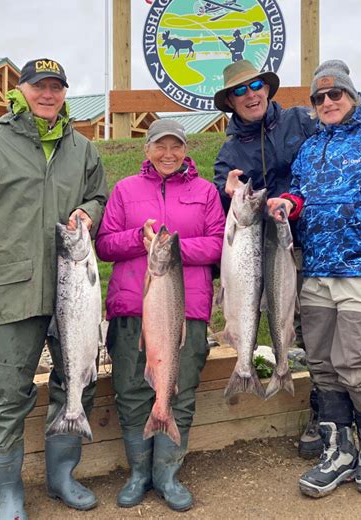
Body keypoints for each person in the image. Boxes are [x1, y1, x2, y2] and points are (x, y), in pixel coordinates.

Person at [212, 58, 361, 459]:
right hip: (260, 246)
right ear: (230, 100)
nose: (251, 94)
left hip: (313, 246)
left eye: (257, 85)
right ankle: (332, 421)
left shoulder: (302, 120)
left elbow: (347, 128)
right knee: (309, 340)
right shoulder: (229, 150)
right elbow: (220, 201)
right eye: (241, 90)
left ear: (268, 87)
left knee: (309, 328)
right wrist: (228, 193)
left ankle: (327, 415)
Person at [0, 58, 108, 519]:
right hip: (11, 291)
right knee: (7, 394)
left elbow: (99, 196)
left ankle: (62, 476)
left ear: (65, 93)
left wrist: (88, 212)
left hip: (73, 291)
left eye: (57, 87)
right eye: (39, 85)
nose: (48, 94)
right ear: (21, 90)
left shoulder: (83, 148)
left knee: (76, 381)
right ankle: (9, 492)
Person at [267, 60, 361, 498]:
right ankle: (338, 450)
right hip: (317, 273)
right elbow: (299, 191)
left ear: (351, 96)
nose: (328, 102)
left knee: (357, 364)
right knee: (323, 366)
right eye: (319, 97)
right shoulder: (311, 147)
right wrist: (288, 204)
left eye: (336, 94)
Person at [95, 119, 225, 513]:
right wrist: (139, 239)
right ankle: (139, 473)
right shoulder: (124, 190)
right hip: (132, 308)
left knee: (178, 388)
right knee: (132, 390)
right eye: (160, 146)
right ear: (146, 148)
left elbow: (219, 245)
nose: (168, 154)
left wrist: (173, 247)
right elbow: (104, 245)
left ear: (186, 150)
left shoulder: (205, 193)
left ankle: (167, 474)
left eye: (176, 147)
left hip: (187, 311)